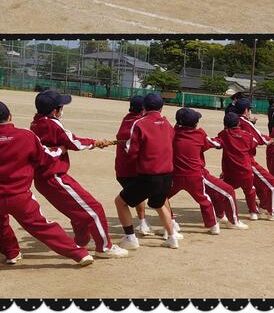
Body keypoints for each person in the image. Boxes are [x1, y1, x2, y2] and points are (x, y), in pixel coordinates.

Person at [0, 100, 94, 268]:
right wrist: (61, 149)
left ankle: (11, 253)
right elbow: (44, 157)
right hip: (19, 196)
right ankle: (78, 253)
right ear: (10, 116)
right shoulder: (26, 135)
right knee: (41, 226)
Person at [29, 91, 127, 258]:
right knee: (94, 209)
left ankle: (82, 241)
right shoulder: (52, 124)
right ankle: (105, 248)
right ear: (54, 110)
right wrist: (94, 142)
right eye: (61, 107)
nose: (62, 109)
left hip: (45, 178)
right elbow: (73, 142)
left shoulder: (36, 122)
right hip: (54, 177)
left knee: (78, 212)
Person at [114, 92, 178, 250]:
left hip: (149, 176)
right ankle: (172, 237)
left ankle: (130, 238)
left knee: (120, 202)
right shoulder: (167, 123)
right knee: (160, 204)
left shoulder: (140, 123)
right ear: (162, 107)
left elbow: (133, 151)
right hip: (167, 175)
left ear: (144, 107)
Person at [168, 107, 246, 233]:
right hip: (196, 176)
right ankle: (221, 224)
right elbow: (213, 143)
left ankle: (170, 222)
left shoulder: (172, 133)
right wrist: (229, 138)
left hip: (174, 176)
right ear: (194, 124)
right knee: (223, 193)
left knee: (161, 199)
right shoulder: (199, 134)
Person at [114, 96, 154, 237]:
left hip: (121, 169)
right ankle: (142, 224)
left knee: (135, 197)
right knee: (148, 195)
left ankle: (142, 223)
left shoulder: (127, 119)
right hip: (133, 169)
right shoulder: (139, 123)